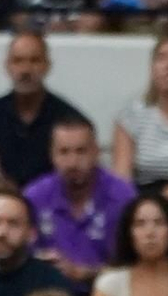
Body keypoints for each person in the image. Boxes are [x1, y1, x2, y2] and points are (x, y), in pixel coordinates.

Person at [27, 117, 135, 286]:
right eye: (64, 152)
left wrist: (85, 273)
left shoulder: (123, 197)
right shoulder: (34, 197)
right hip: (49, 294)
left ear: (96, 152)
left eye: (81, 151)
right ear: (52, 155)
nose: (72, 162)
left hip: (107, 292)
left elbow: (133, 266)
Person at [0, 31, 85, 189]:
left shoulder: (70, 119)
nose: (25, 69)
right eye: (18, 61)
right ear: (7, 66)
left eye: (34, 61)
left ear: (47, 66)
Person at [113, 37, 168, 198]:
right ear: (152, 68)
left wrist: (160, 202)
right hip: (141, 198)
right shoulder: (132, 114)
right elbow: (122, 179)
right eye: (161, 58)